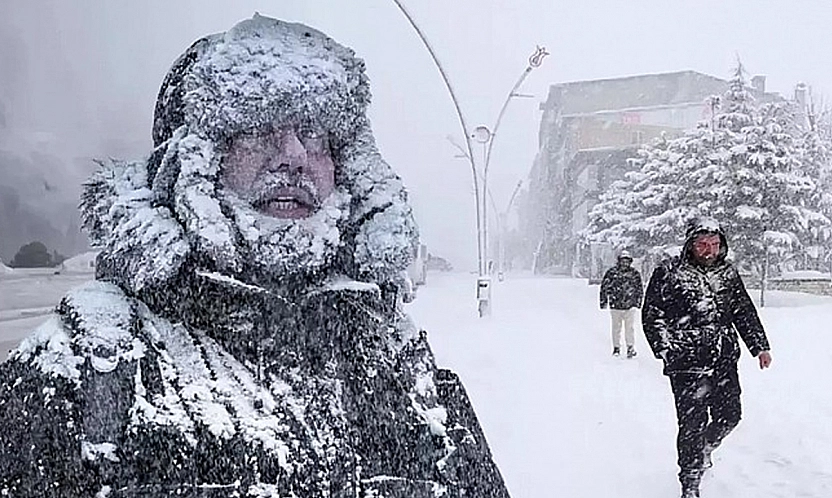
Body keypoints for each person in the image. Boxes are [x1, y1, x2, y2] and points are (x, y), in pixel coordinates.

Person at [0, 15, 510, 498]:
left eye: (314, 132)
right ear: (192, 162)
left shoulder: (395, 358)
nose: (292, 156)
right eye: (255, 128)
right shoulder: (86, 368)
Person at [642, 217, 772, 498]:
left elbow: (743, 311)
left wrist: (759, 346)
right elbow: (652, 315)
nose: (709, 250)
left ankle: (705, 448)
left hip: (724, 359)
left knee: (730, 416)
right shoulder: (669, 272)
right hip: (687, 363)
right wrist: (665, 348)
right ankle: (690, 483)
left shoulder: (728, 273)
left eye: (714, 244)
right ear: (690, 245)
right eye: (702, 244)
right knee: (691, 424)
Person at [599, 250, 643, 358]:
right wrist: (603, 301)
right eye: (623, 261)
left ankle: (630, 347)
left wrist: (638, 302)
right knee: (616, 328)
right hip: (616, 305)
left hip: (630, 305)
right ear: (619, 261)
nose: (624, 263)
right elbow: (604, 287)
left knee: (630, 328)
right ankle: (616, 348)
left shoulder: (634, 274)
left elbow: (639, 289)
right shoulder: (612, 273)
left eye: (627, 261)